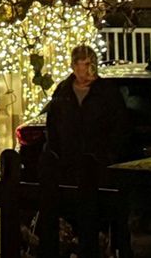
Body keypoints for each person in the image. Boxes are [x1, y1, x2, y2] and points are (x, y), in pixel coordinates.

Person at [45, 44, 129, 182]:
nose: (82, 69)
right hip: (68, 163)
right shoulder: (63, 90)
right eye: (78, 64)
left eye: (86, 64)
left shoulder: (106, 91)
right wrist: (56, 153)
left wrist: (109, 155)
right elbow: (52, 123)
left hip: (98, 163)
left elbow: (120, 124)